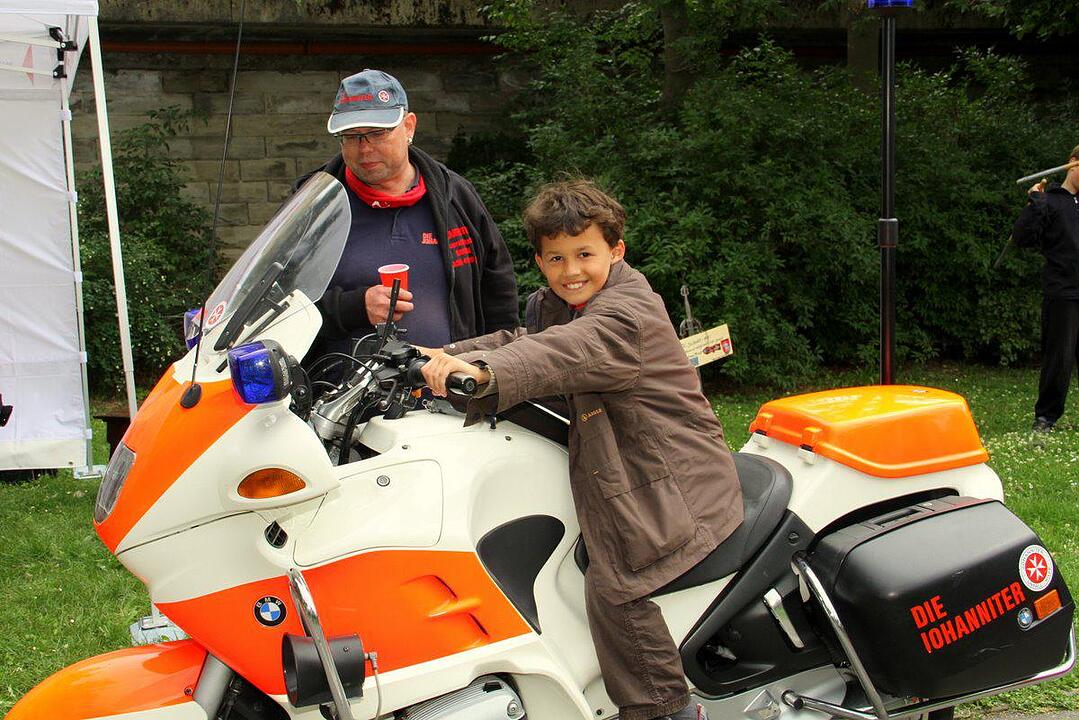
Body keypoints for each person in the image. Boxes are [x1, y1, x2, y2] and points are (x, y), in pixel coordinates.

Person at [420, 180, 743, 720]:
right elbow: (522, 340)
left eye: (584, 254)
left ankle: (663, 709)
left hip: (675, 479)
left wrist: (483, 376)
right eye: (556, 258)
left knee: (617, 583)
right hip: (622, 464)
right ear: (540, 262)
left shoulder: (627, 311)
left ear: (616, 251)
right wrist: (441, 354)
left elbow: (565, 353)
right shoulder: (555, 304)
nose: (571, 270)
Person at [297, 69, 518, 357]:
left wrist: (497, 369)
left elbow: (498, 290)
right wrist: (354, 307)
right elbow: (276, 307)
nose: (364, 149)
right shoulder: (315, 205)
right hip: (338, 395)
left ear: (409, 127)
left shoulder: (455, 196)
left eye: (377, 133)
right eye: (351, 137)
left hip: (451, 393)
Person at [1013, 144, 1079, 433]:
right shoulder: (1050, 202)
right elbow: (1022, 237)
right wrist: (1035, 202)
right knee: (1059, 357)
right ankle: (1046, 417)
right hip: (1063, 291)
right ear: (1072, 163)